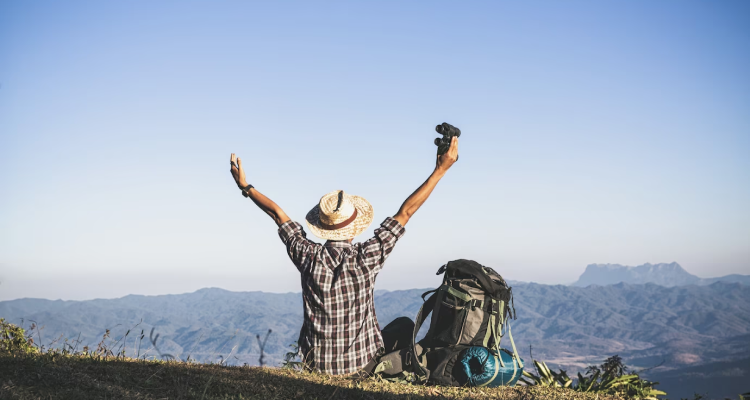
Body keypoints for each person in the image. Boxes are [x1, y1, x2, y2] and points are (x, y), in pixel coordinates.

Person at [229, 136, 459, 375]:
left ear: (323, 225)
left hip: (316, 366)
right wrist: (440, 170)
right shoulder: (367, 257)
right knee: (404, 325)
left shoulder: (306, 255)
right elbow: (406, 212)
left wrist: (245, 187)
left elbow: (277, 214)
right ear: (355, 227)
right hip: (361, 367)